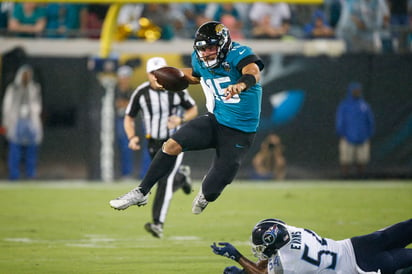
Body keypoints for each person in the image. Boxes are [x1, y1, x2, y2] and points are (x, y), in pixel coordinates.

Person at [109, 21, 264, 215]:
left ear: (223, 44)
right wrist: (173, 77)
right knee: (171, 145)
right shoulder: (199, 59)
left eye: (211, 48)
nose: (206, 53)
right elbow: (196, 77)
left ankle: (206, 194)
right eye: (203, 49)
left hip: (240, 132)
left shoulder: (238, 53)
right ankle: (142, 191)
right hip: (215, 120)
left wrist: (241, 85)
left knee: (213, 189)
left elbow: (253, 71)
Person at [121, 57, 198, 238]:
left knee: (164, 181)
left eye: (160, 73)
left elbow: (192, 109)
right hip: (153, 142)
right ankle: (181, 178)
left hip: (175, 141)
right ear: (148, 75)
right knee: (164, 179)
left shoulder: (177, 89)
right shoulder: (141, 92)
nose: (157, 78)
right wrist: (131, 137)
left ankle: (158, 223)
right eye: (153, 74)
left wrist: (180, 120)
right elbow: (129, 117)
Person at [211, 218, 412, 274]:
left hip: (362, 266)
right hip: (361, 244)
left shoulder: (290, 263)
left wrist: (237, 257)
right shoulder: (291, 231)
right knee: (406, 228)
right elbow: (267, 259)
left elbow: (261, 273)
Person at [2, 64, 43, 180]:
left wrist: (32, 112)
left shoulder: (34, 88)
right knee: (15, 151)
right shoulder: (13, 88)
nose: (26, 77)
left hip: (31, 123)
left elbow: (38, 105)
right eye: (24, 75)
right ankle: (14, 175)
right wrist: (6, 123)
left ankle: (31, 174)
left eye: (28, 75)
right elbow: (7, 106)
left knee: (31, 151)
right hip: (16, 122)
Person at [335, 82, 375, 178]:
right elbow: (340, 120)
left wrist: (368, 134)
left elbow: (370, 120)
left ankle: (361, 178)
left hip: (363, 137)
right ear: (350, 91)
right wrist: (341, 133)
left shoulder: (364, 106)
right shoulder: (344, 105)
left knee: (362, 159)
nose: (357, 92)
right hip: (347, 137)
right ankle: (345, 178)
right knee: (346, 159)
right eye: (355, 91)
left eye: (358, 91)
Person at [114, 65, 135, 179]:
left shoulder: (131, 91)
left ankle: (126, 173)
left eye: (127, 77)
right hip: (114, 120)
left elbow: (130, 105)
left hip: (126, 120)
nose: (125, 79)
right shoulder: (114, 90)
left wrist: (123, 103)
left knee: (127, 146)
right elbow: (116, 104)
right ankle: (114, 172)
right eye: (123, 76)